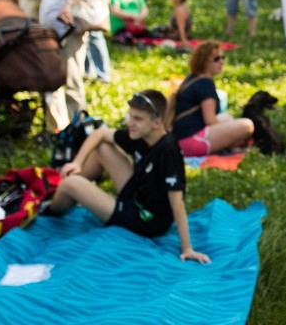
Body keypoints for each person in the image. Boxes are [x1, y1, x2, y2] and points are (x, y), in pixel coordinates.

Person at [48, 89, 211, 263]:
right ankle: (69, 186)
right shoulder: (142, 134)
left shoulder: (168, 151)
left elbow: (177, 202)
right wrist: (77, 163)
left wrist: (187, 248)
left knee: (70, 184)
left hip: (145, 221)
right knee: (103, 148)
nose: (130, 123)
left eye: (137, 119)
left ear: (157, 122)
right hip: (137, 194)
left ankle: (48, 207)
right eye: (130, 116)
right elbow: (100, 133)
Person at [40, 0, 94, 129]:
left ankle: (78, 127)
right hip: (48, 28)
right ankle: (55, 126)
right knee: (48, 76)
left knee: (71, 77)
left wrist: (69, 3)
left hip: (69, 29)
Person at [168, 41, 253, 157]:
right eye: (217, 59)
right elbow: (210, 121)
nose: (222, 62)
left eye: (223, 57)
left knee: (227, 118)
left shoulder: (192, 77)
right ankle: (232, 146)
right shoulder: (205, 84)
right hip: (191, 142)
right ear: (205, 62)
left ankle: (232, 144)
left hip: (180, 138)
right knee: (247, 125)